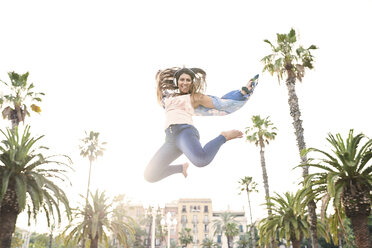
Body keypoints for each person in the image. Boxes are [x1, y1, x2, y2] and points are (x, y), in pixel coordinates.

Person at [144, 67, 255, 183]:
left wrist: (242, 92)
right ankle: (181, 168)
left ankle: (223, 136)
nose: (185, 82)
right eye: (182, 79)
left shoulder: (195, 97)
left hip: (185, 132)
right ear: (177, 82)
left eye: (188, 80)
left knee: (201, 160)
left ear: (192, 83)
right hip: (170, 139)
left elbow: (221, 103)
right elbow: (160, 91)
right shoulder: (167, 98)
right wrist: (158, 78)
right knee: (150, 175)